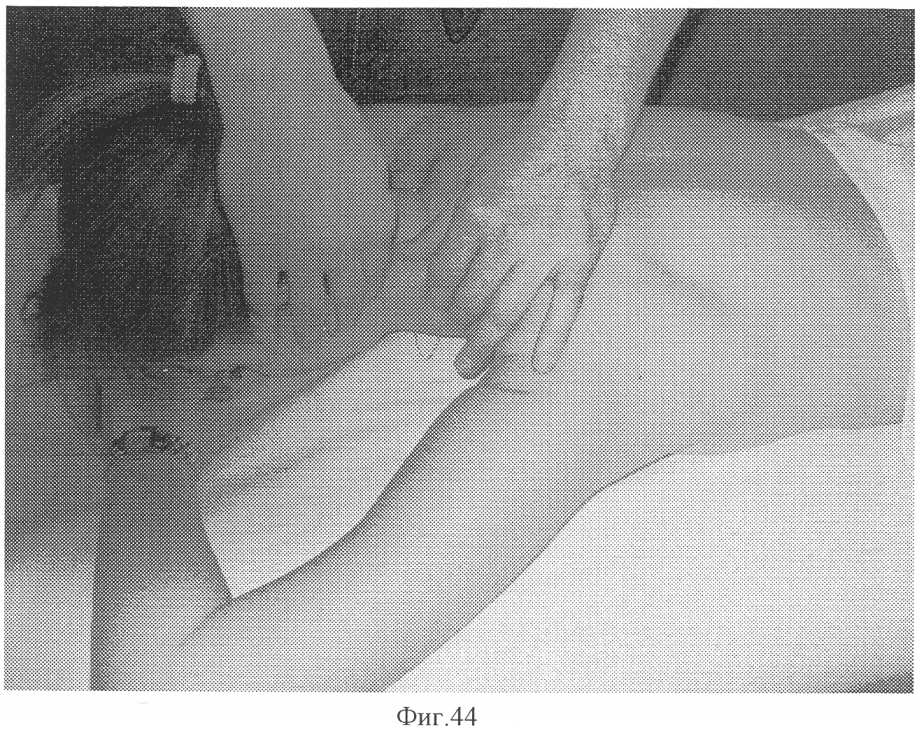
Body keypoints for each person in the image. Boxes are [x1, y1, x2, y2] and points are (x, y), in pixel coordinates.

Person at [5, 9, 910, 691]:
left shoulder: (568, 349)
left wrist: (147, 435)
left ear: (260, 343)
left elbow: (184, 696)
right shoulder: (485, 139)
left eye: (228, 384)